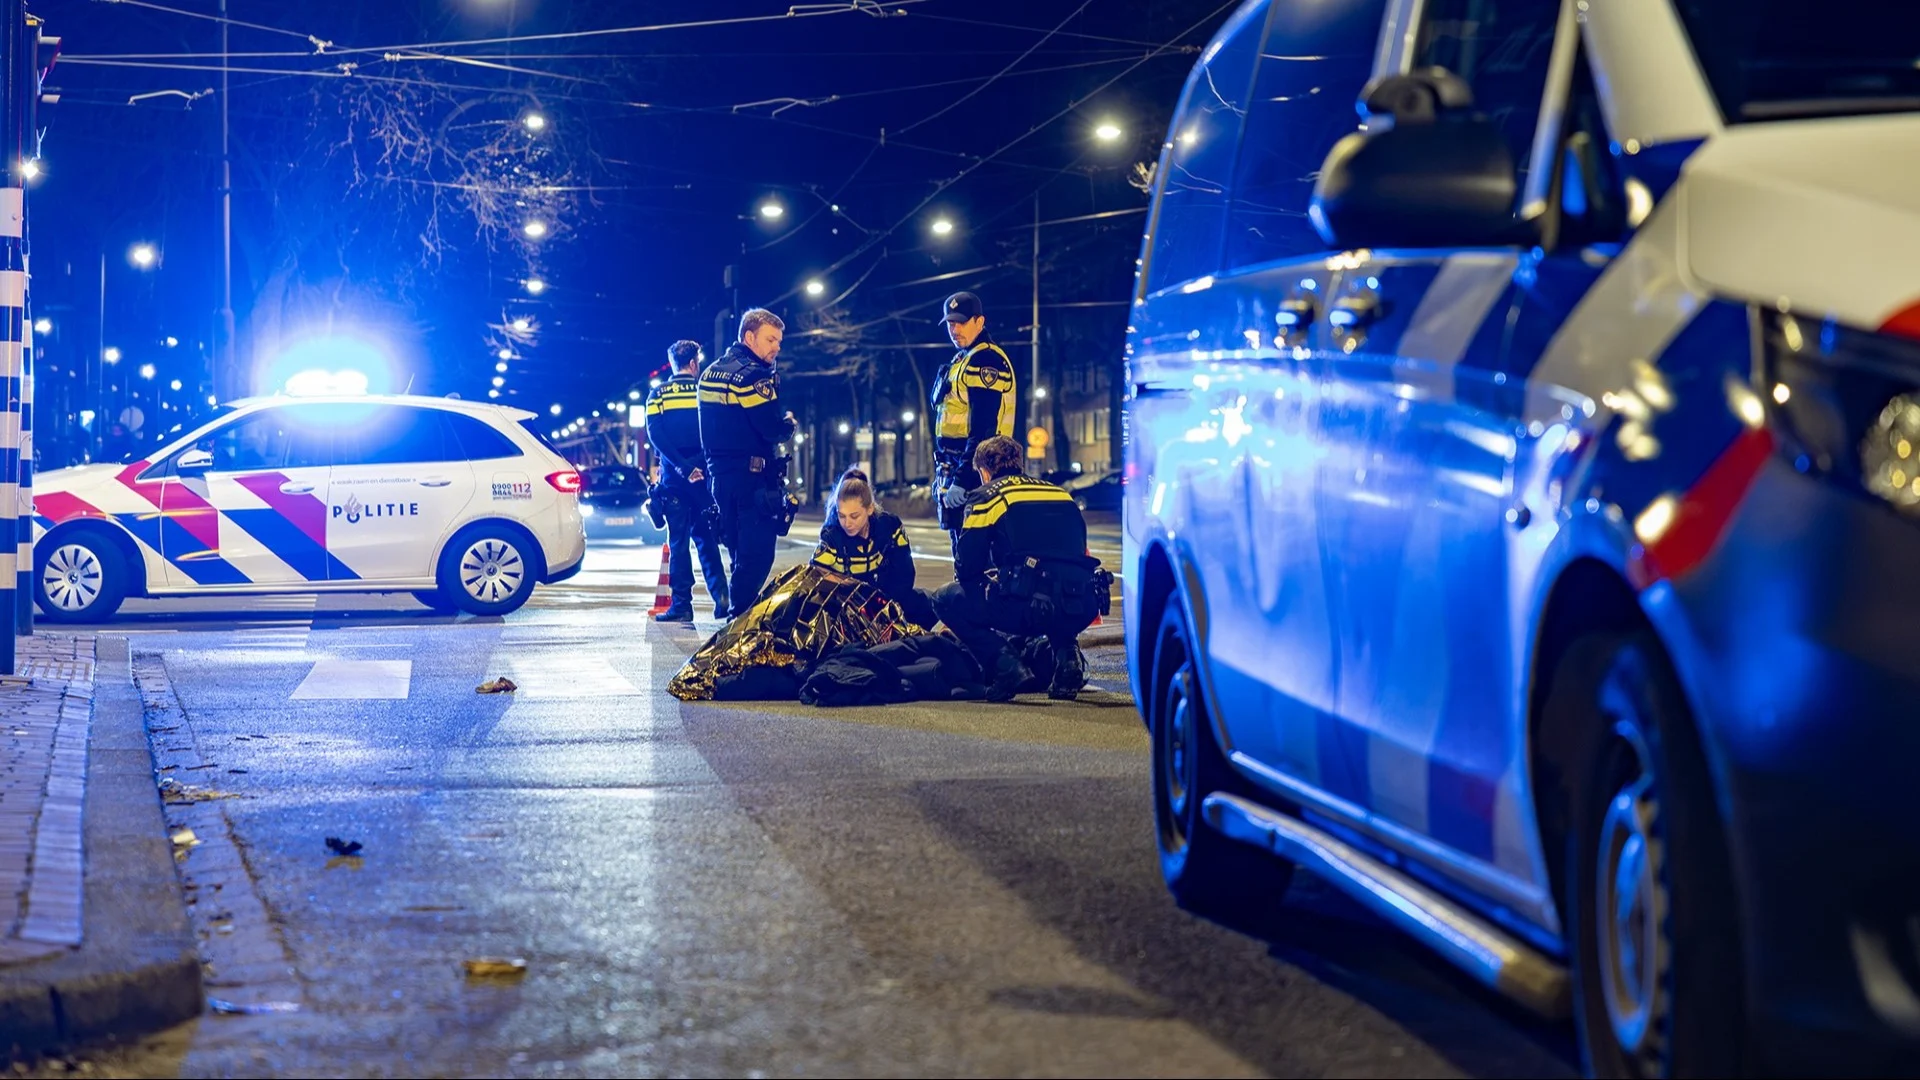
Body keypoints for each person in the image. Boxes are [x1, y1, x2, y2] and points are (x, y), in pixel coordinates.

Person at [933, 435, 1109, 702]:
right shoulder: (1061, 494)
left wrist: (994, 574)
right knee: (1056, 585)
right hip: (1080, 604)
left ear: (984, 470)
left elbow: (967, 568)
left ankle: (1006, 666)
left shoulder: (987, 497)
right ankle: (1068, 661)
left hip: (1026, 605)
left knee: (945, 598)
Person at [698, 308, 796, 619]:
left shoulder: (710, 373)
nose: (776, 347)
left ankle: (736, 614)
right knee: (757, 555)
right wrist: (788, 424)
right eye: (770, 340)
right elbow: (771, 429)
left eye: (778, 341)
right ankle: (738, 619)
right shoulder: (753, 376)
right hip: (753, 481)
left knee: (737, 551)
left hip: (720, 480)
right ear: (749, 337)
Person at [644, 341, 730, 622]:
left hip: (673, 480)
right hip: (703, 480)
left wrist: (682, 467)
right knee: (707, 538)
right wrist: (699, 466)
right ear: (694, 363)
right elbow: (716, 432)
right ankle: (722, 599)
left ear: (673, 364)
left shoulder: (657, 395)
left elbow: (656, 436)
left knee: (678, 542)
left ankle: (682, 605)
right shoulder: (706, 392)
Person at [930, 291, 1016, 554]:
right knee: (962, 549)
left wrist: (962, 478)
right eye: (950, 323)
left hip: (981, 471)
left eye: (961, 322)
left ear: (980, 321)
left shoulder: (985, 360)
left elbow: (983, 429)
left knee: (976, 554)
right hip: (958, 467)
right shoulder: (963, 359)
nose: (954, 330)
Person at [812, 468, 938, 629]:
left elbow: (905, 574)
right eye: (842, 516)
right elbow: (816, 577)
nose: (847, 523)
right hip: (848, 609)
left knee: (933, 604)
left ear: (870, 509)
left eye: (854, 516)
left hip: (888, 599)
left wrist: (885, 608)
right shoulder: (831, 536)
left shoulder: (890, 526)